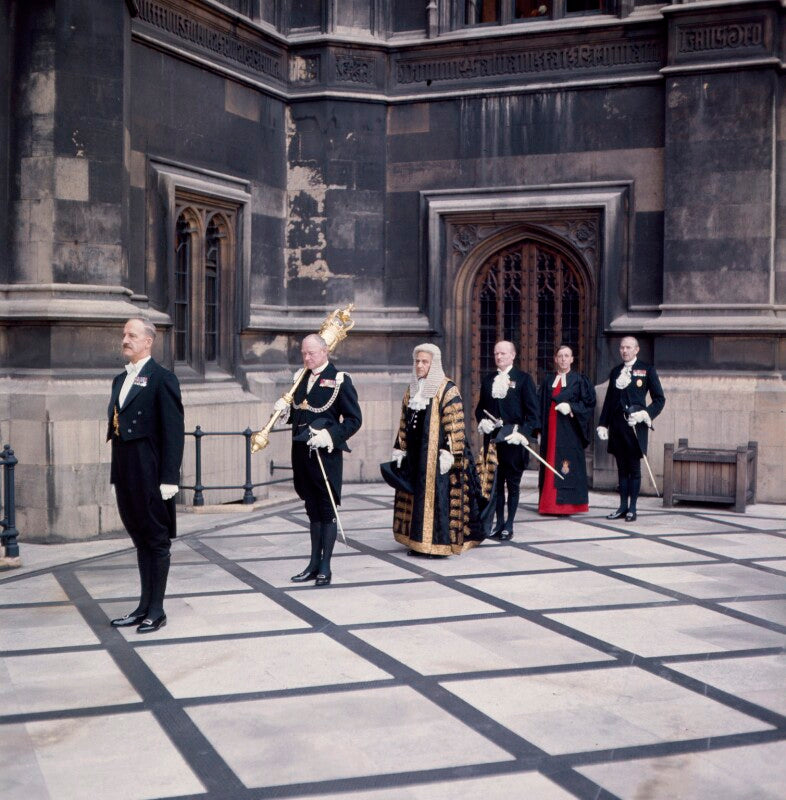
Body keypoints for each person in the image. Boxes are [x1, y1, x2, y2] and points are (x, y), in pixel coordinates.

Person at [107, 318, 184, 633]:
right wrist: (117, 475)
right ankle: (143, 607)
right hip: (126, 471)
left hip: (151, 471)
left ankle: (157, 610)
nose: (125, 339)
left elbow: (174, 432)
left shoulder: (162, 378)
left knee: (156, 539)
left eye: (132, 335)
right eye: (124, 334)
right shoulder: (119, 379)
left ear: (148, 341)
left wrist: (170, 478)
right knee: (140, 539)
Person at [278, 334, 361, 586]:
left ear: (325, 351)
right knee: (312, 509)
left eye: (311, 353)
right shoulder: (300, 378)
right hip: (302, 454)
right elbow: (301, 413)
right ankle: (313, 564)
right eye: (304, 353)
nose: (306, 358)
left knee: (326, 510)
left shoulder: (339, 379)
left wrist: (330, 435)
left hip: (325, 456)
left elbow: (354, 420)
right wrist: (285, 412)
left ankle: (326, 566)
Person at [391, 344, 487, 556]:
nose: (419, 365)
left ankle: (435, 545)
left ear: (434, 364)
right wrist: (400, 448)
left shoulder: (447, 389)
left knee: (435, 499)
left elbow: (455, 424)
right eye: (417, 361)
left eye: (424, 362)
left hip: (436, 454)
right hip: (416, 454)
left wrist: (450, 453)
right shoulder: (412, 389)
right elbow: (404, 422)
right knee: (415, 496)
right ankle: (416, 542)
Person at [474, 340, 539, 540]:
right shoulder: (488, 380)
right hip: (493, 442)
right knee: (496, 485)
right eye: (496, 353)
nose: (498, 357)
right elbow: (480, 408)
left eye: (503, 353)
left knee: (512, 485)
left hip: (513, 441)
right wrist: (482, 421)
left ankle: (509, 525)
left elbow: (534, 415)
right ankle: (499, 523)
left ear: (512, 355)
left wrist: (523, 434)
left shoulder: (523, 379)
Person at [597, 336, 665, 522]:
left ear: (636, 350)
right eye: (622, 347)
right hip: (618, 427)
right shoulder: (615, 372)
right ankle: (622, 506)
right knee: (621, 469)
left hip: (636, 426)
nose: (624, 351)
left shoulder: (647, 370)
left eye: (628, 347)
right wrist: (603, 424)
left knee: (634, 469)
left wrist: (645, 414)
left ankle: (632, 508)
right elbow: (609, 401)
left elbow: (659, 399)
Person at [537, 345, 596, 515]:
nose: (563, 359)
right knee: (549, 462)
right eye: (560, 356)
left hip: (569, 431)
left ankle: (568, 505)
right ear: (555, 359)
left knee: (567, 465)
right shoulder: (548, 381)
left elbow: (589, 404)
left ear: (572, 359)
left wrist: (571, 407)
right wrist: (538, 430)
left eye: (567, 356)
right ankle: (549, 505)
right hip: (550, 431)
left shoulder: (579, 380)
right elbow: (539, 406)